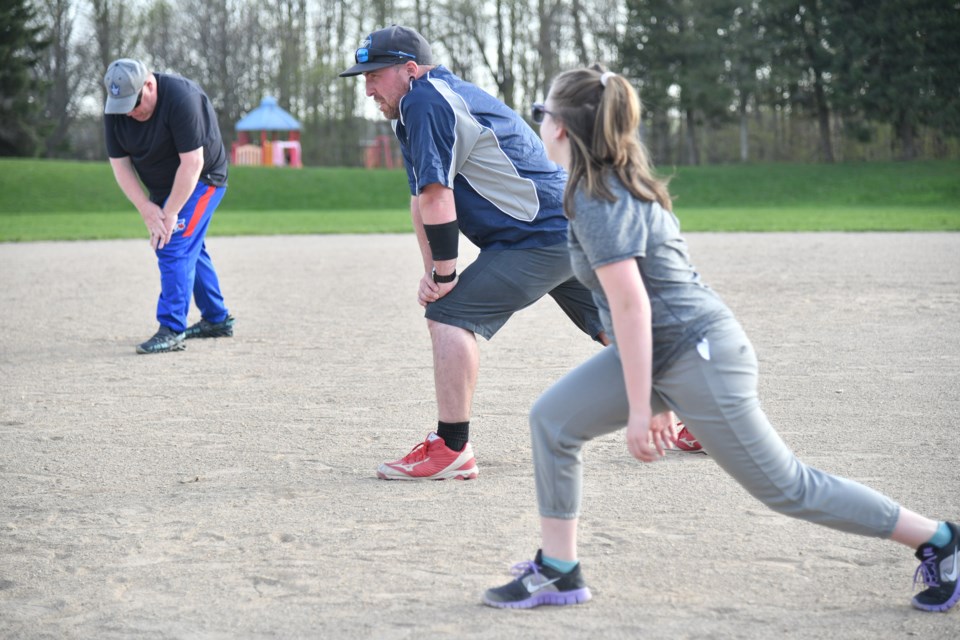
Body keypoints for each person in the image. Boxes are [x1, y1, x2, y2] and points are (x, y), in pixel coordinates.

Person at [482, 65, 959, 613]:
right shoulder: (596, 187)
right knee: (554, 419)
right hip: (670, 351)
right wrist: (651, 393)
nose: (538, 123)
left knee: (788, 487)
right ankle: (559, 571)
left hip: (700, 354)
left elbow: (635, 307)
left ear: (561, 127)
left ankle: (941, 540)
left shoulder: (599, 197)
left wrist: (641, 406)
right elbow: (628, 306)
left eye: (541, 113)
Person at [339, 26, 628, 480]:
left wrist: (445, 277)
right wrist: (432, 270)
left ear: (409, 70)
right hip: (562, 226)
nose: (367, 87)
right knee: (615, 328)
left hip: (537, 235)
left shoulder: (424, 100)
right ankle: (696, 414)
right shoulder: (423, 101)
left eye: (375, 75)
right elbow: (421, 199)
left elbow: (438, 197)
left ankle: (451, 448)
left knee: (449, 315)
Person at [103, 58, 235, 354]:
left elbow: (193, 163)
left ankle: (172, 328)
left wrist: (169, 213)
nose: (130, 113)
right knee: (190, 247)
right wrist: (146, 207)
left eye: (134, 104)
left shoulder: (181, 98)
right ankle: (216, 319)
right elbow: (120, 165)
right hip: (162, 185)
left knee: (172, 242)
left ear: (149, 85)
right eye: (122, 107)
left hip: (203, 179)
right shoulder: (117, 108)